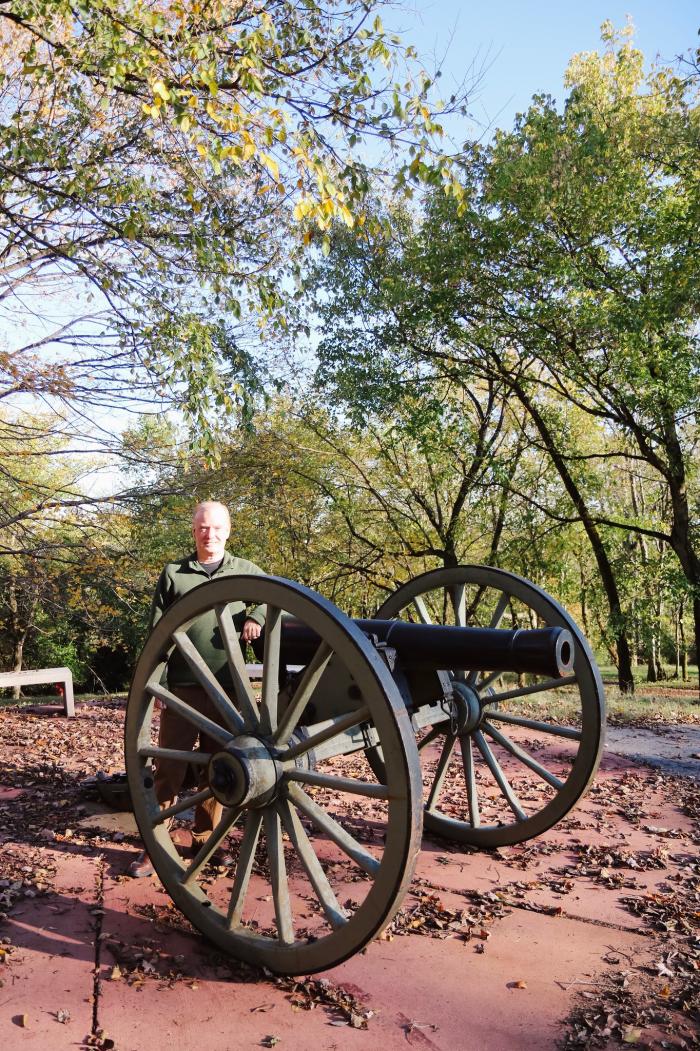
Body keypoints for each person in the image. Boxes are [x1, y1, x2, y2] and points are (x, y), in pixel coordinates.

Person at [129, 500, 266, 878]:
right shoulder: (175, 572)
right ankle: (154, 845)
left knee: (217, 771)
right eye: (203, 527)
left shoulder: (244, 570)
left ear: (228, 530)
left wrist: (255, 616)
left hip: (228, 688)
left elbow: (278, 598)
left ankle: (206, 842)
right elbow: (157, 629)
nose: (210, 534)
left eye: (217, 527)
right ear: (194, 531)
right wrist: (151, 683)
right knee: (169, 767)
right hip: (184, 686)